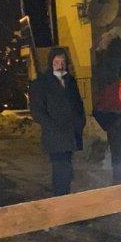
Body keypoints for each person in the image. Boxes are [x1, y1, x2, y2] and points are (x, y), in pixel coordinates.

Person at [29, 48, 86, 196]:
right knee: (61, 171)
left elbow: (78, 104)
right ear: (50, 63)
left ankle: (64, 199)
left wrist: (80, 121)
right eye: (56, 62)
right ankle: (60, 203)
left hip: (71, 133)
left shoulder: (70, 81)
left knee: (67, 170)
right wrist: (52, 126)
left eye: (62, 62)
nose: (59, 65)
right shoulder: (41, 83)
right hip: (55, 135)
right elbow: (37, 111)